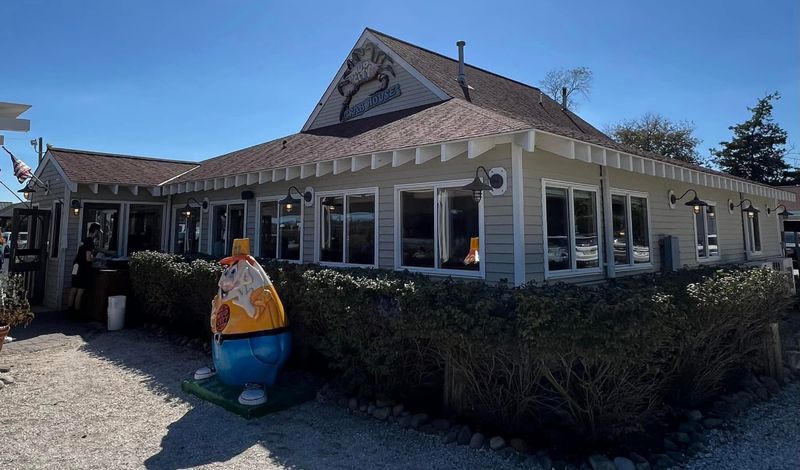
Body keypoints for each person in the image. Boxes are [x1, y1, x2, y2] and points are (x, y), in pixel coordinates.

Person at [68, 222, 100, 313]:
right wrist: (96, 260)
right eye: (98, 233)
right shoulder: (90, 242)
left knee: (73, 289)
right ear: (96, 231)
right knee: (80, 290)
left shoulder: (84, 240)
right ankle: (77, 311)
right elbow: (88, 258)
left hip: (76, 267)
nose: (98, 235)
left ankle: (69, 310)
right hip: (83, 268)